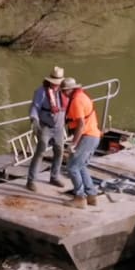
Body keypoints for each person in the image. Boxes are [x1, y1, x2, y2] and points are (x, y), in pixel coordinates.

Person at [60, 76, 102, 208]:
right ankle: (91, 195)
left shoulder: (76, 101)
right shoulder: (82, 96)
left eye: (63, 91)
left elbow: (81, 125)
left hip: (87, 136)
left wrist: (73, 144)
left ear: (69, 90)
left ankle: (80, 198)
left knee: (72, 167)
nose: (63, 93)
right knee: (81, 166)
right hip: (93, 135)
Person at [26, 66, 67, 192]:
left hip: (59, 127)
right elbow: (35, 107)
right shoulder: (41, 92)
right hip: (45, 126)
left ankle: (54, 177)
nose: (56, 85)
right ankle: (31, 180)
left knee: (59, 151)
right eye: (54, 83)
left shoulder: (64, 91)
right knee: (40, 151)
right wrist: (34, 120)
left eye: (58, 83)